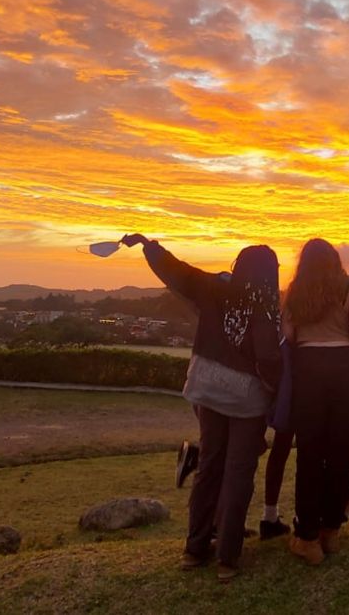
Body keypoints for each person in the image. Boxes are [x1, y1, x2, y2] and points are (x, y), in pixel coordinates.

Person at [121, 233, 282, 582]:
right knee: (239, 472)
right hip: (247, 398)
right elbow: (269, 357)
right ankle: (227, 557)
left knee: (209, 465)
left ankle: (194, 550)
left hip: (206, 387)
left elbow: (177, 272)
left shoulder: (214, 288)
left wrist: (149, 246)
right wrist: (275, 389)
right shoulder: (267, 307)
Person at [283, 238, 349, 565]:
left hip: (308, 370)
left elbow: (288, 335)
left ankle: (306, 537)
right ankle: (330, 531)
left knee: (309, 453)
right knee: (340, 452)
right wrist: (340, 337)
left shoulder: (295, 289)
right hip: (346, 369)